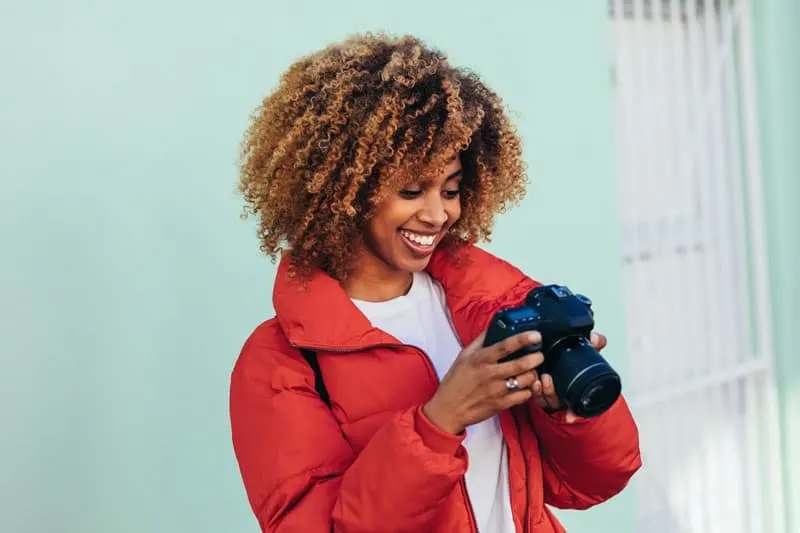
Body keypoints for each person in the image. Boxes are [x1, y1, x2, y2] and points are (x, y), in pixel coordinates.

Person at [229, 32, 641, 533]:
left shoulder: (490, 304)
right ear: (344, 188)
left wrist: (566, 414)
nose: (436, 213)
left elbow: (595, 480)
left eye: (450, 189)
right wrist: (439, 422)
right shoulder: (280, 364)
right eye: (410, 189)